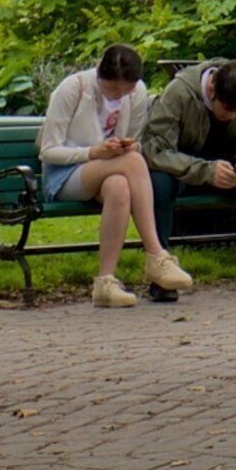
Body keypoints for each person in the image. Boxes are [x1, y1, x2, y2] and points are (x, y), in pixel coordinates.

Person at [38, 44, 193, 307]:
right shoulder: (72, 89)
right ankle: (156, 254)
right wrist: (94, 152)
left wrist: (127, 146)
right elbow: (48, 151)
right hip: (65, 174)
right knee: (132, 162)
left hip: (110, 168)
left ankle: (105, 282)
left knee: (120, 186)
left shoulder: (137, 92)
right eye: (112, 89)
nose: (120, 95)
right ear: (100, 75)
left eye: (126, 90)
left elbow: (134, 140)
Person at [139, 60, 236, 295]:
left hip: (230, 172)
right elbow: (156, 150)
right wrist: (205, 171)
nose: (233, 117)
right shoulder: (179, 92)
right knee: (158, 183)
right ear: (211, 89)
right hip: (184, 173)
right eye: (229, 110)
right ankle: (162, 276)